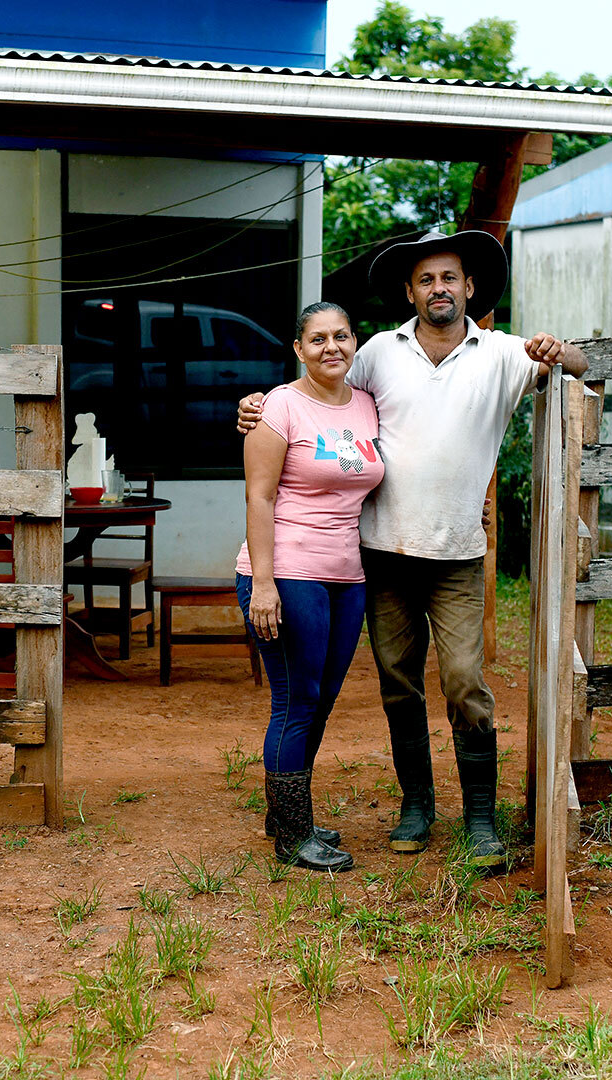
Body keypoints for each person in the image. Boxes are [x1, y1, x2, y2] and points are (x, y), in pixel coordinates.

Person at [238, 230, 587, 870]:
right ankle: (416, 804)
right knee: (398, 684)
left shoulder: (504, 354)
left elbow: (580, 367)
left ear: (470, 287)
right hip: (380, 555)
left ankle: (480, 817)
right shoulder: (378, 352)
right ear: (410, 292)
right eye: (426, 281)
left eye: (449, 278)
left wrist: (561, 351)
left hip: (456, 554)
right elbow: (324, 388)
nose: (439, 289)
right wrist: (259, 407)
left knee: (463, 680)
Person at [236, 301, 384, 872]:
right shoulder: (278, 406)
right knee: (295, 701)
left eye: (341, 336)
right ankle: (293, 837)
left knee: (319, 699)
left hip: (347, 575)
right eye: (317, 339)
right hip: (286, 571)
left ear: (355, 343)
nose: (332, 348)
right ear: (298, 349)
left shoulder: (367, 405)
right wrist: (265, 585)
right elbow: (260, 496)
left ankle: (287, 814)